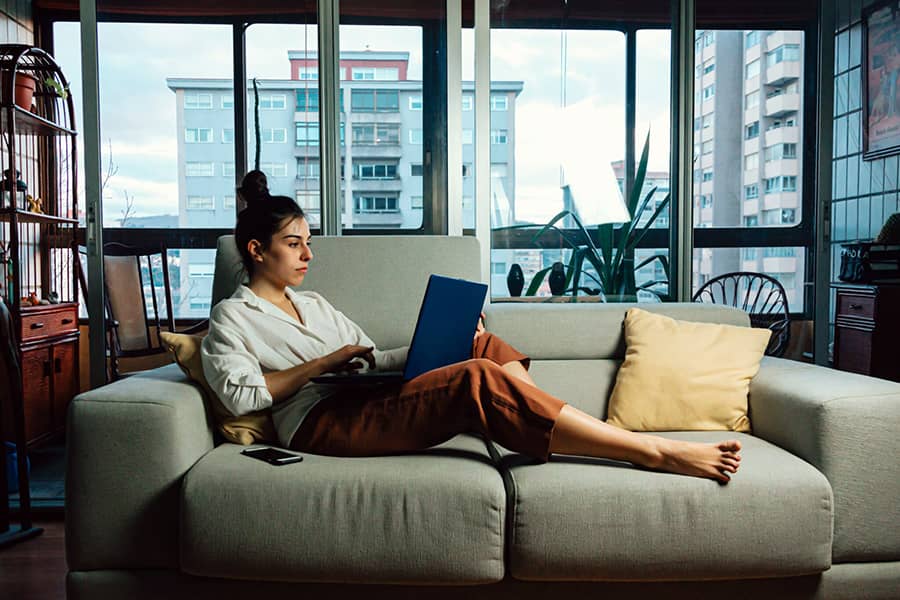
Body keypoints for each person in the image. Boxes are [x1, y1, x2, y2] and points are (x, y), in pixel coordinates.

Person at [201, 192, 743, 484]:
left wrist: (449, 337)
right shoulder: (232, 319)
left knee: (481, 348)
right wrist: (325, 363)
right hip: (319, 422)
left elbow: (372, 359)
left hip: (362, 394)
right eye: (294, 244)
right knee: (479, 380)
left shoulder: (313, 304)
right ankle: (647, 451)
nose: (308, 256)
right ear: (255, 250)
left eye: (308, 243)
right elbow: (243, 397)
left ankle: (564, 427)